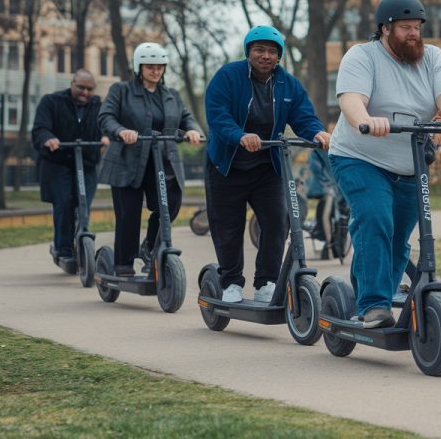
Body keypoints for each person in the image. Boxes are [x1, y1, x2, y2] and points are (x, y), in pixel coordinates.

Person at [329, 0, 441, 328]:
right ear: (385, 29)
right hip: (359, 156)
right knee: (375, 220)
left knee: (398, 238)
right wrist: (365, 121)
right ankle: (373, 305)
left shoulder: (433, 58)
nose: (413, 34)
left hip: (409, 162)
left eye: (417, 27)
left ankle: (369, 296)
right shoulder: (362, 56)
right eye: (405, 28)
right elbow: (352, 100)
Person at [205, 25, 330, 303]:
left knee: (278, 220)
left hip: (266, 166)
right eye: (260, 50)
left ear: (279, 56)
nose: (266, 56)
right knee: (228, 227)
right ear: (248, 51)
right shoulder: (228, 76)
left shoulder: (287, 84)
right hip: (227, 166)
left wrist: (316, 132)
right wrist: (240, 136)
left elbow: (303, 116)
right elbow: (217, 115)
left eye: (272, 52)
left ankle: (267, 282)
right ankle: (231, 283)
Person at [98, 42, 203, 276]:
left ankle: (149, 248)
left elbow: (187, 118)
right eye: (150, 67)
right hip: (128, 162)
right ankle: (123, 264)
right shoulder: (121, 91)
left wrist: (193, 130)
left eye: (160, 67)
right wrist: (120, 131)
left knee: (170, 205)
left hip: (162, 162)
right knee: (128, 213)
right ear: (139, 67)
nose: (156, 71)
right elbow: (106, 116)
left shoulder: (171, 96)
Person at [31, 69, 108, 263]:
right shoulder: (52, 101)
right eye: (80, 87)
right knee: (64, 201)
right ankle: (63, 247)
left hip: (87, 162)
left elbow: (107, 124)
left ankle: (82, 240)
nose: (85, 92)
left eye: (89, 89)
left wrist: (107, 136)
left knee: (83, 204)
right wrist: (48, 138)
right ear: (72, 83)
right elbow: (40, 127)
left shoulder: (99, 105)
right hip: (58, 161)